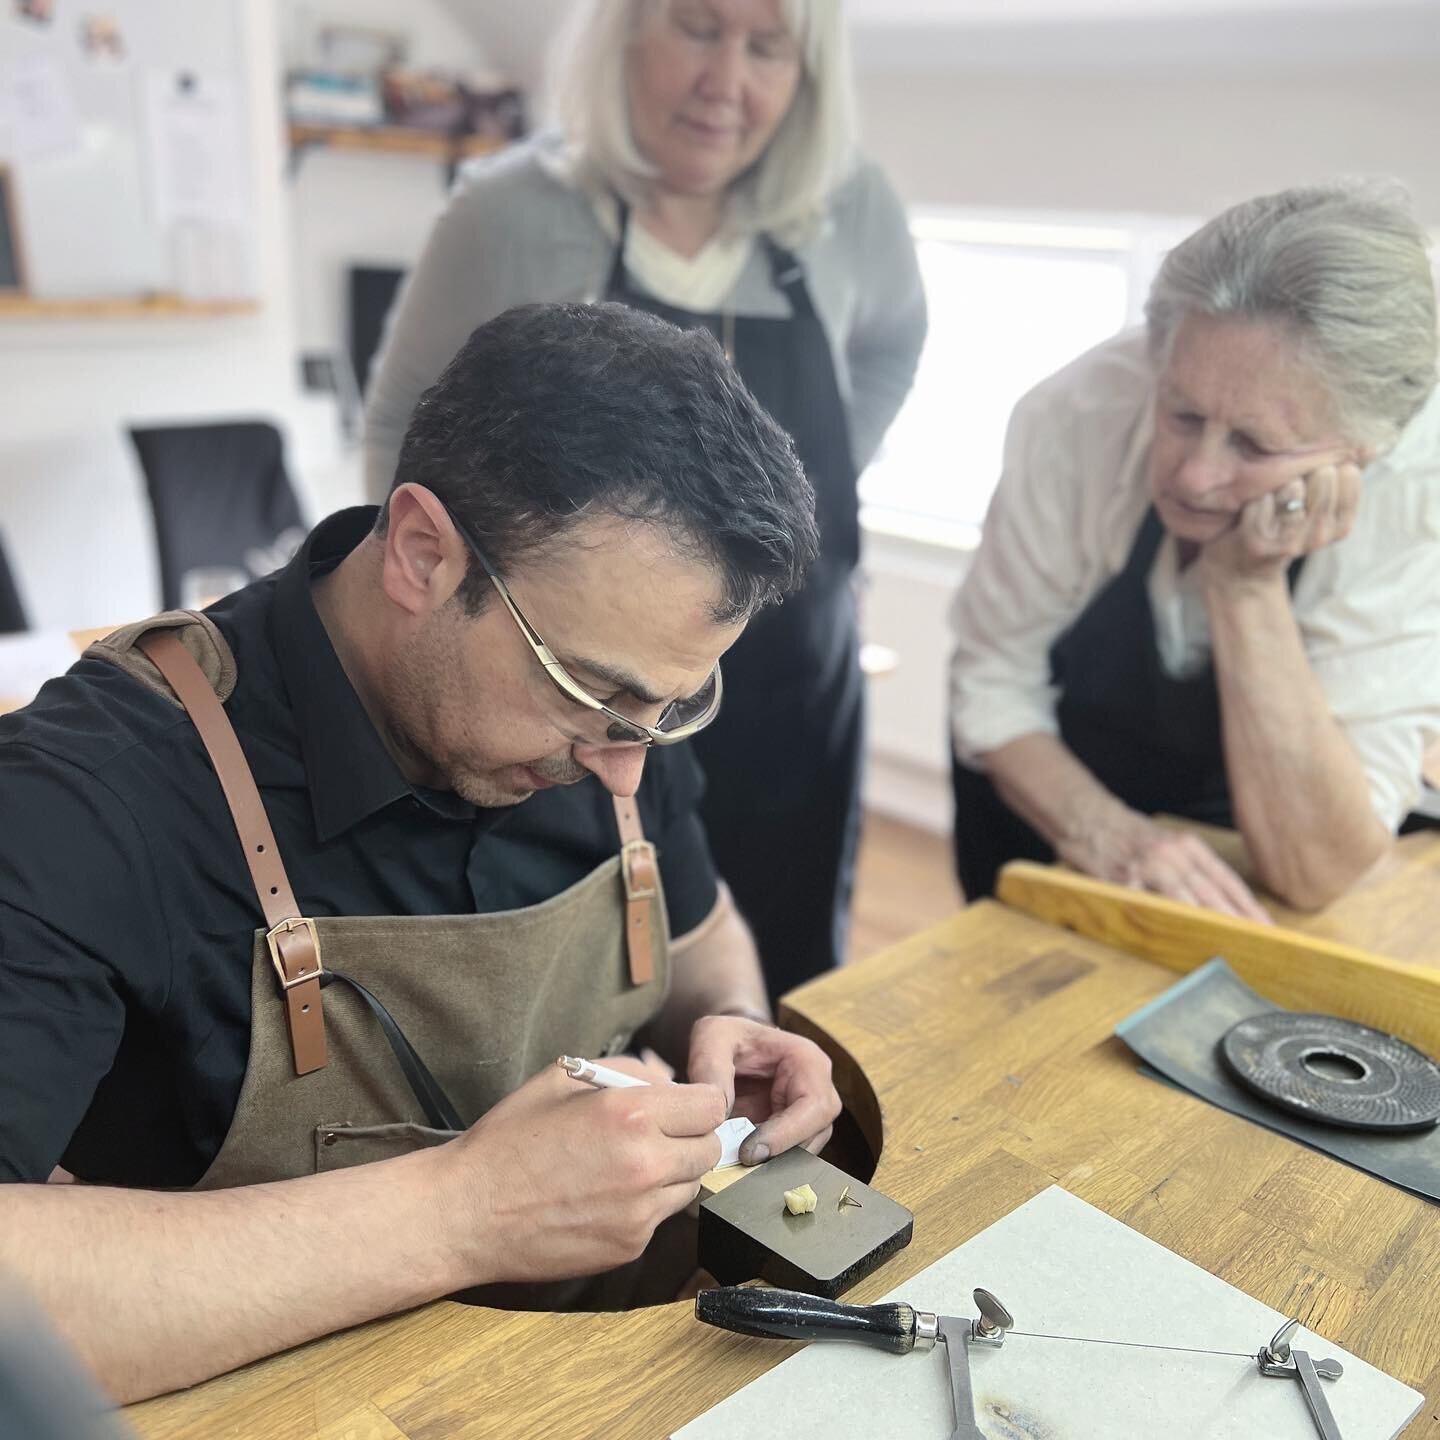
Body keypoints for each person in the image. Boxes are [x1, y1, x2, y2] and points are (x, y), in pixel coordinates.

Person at [0, 302, 841, 1402]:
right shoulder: (92, 796)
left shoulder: (612, 713)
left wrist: (732, 1025)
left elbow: (699, 929)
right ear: (422, 553)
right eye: (595, 695)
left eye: (669, 711)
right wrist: (464, 1211)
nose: (628, 765)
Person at [363, 0, 927, 999]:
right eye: (698, 30)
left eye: (767, 48)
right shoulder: (505, 216)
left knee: (781, 979)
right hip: (575, 699)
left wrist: (820, 481)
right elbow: (404, 423)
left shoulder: (856, 208)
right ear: (622, 32)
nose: (728, 81)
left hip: (796, 690)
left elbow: (892, 344)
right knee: (584, 985)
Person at [949, 181, 1440, 916]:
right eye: (1180, 412)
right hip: (1048, 806)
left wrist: (1245, 586)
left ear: (1363, 448)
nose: (1195, 475)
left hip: (1248, 858)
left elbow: (1319, 869)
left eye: (1254, 443)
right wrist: (1110, 834)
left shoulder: (1416, 491)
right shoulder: (1077, 413)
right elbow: (993, 682)